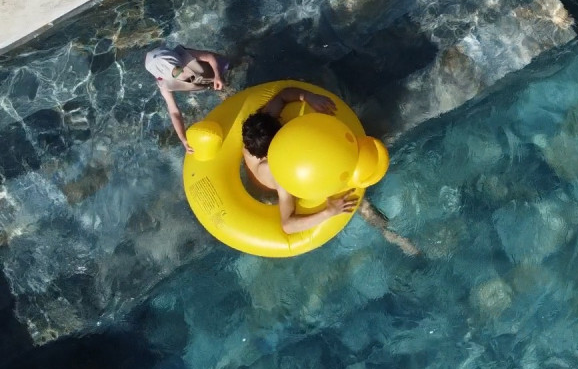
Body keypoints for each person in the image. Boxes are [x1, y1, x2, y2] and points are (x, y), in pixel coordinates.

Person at [241, 86, 419, 255]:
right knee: (359, 203)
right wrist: (329, 211)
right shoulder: (278, 174)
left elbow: (283, 95)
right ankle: (392, 235)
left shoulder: (263, 122)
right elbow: (287, 225)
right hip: (283, 187)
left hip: (284, 156)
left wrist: (309, 96)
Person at [146, 45, 229, 153]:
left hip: (220, 70)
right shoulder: (164, 85)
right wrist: (183, 139)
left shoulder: (185, 55)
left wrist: (217, 76)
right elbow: (174, 112)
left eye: (178, 68)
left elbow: (209, 57)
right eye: (175, 73)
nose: (181, 73)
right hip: (207, 85)